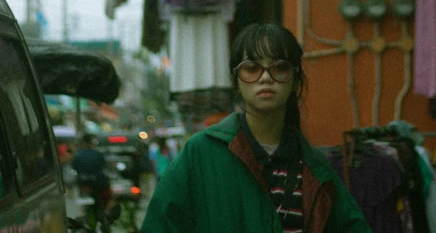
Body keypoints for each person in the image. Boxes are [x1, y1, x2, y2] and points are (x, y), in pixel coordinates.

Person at [141, 22, 371, 233]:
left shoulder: (315, 167)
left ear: (295, 80)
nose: (265, 77)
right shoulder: (199, 154)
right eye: (251, 68)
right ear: (236, 81)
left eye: (279, 67)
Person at [72, 133, 113, 210]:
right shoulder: (97, 154)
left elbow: (75, 167)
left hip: (83, 182)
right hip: (98, 183)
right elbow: (103, 166)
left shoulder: (78, 155)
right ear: (91, 142)